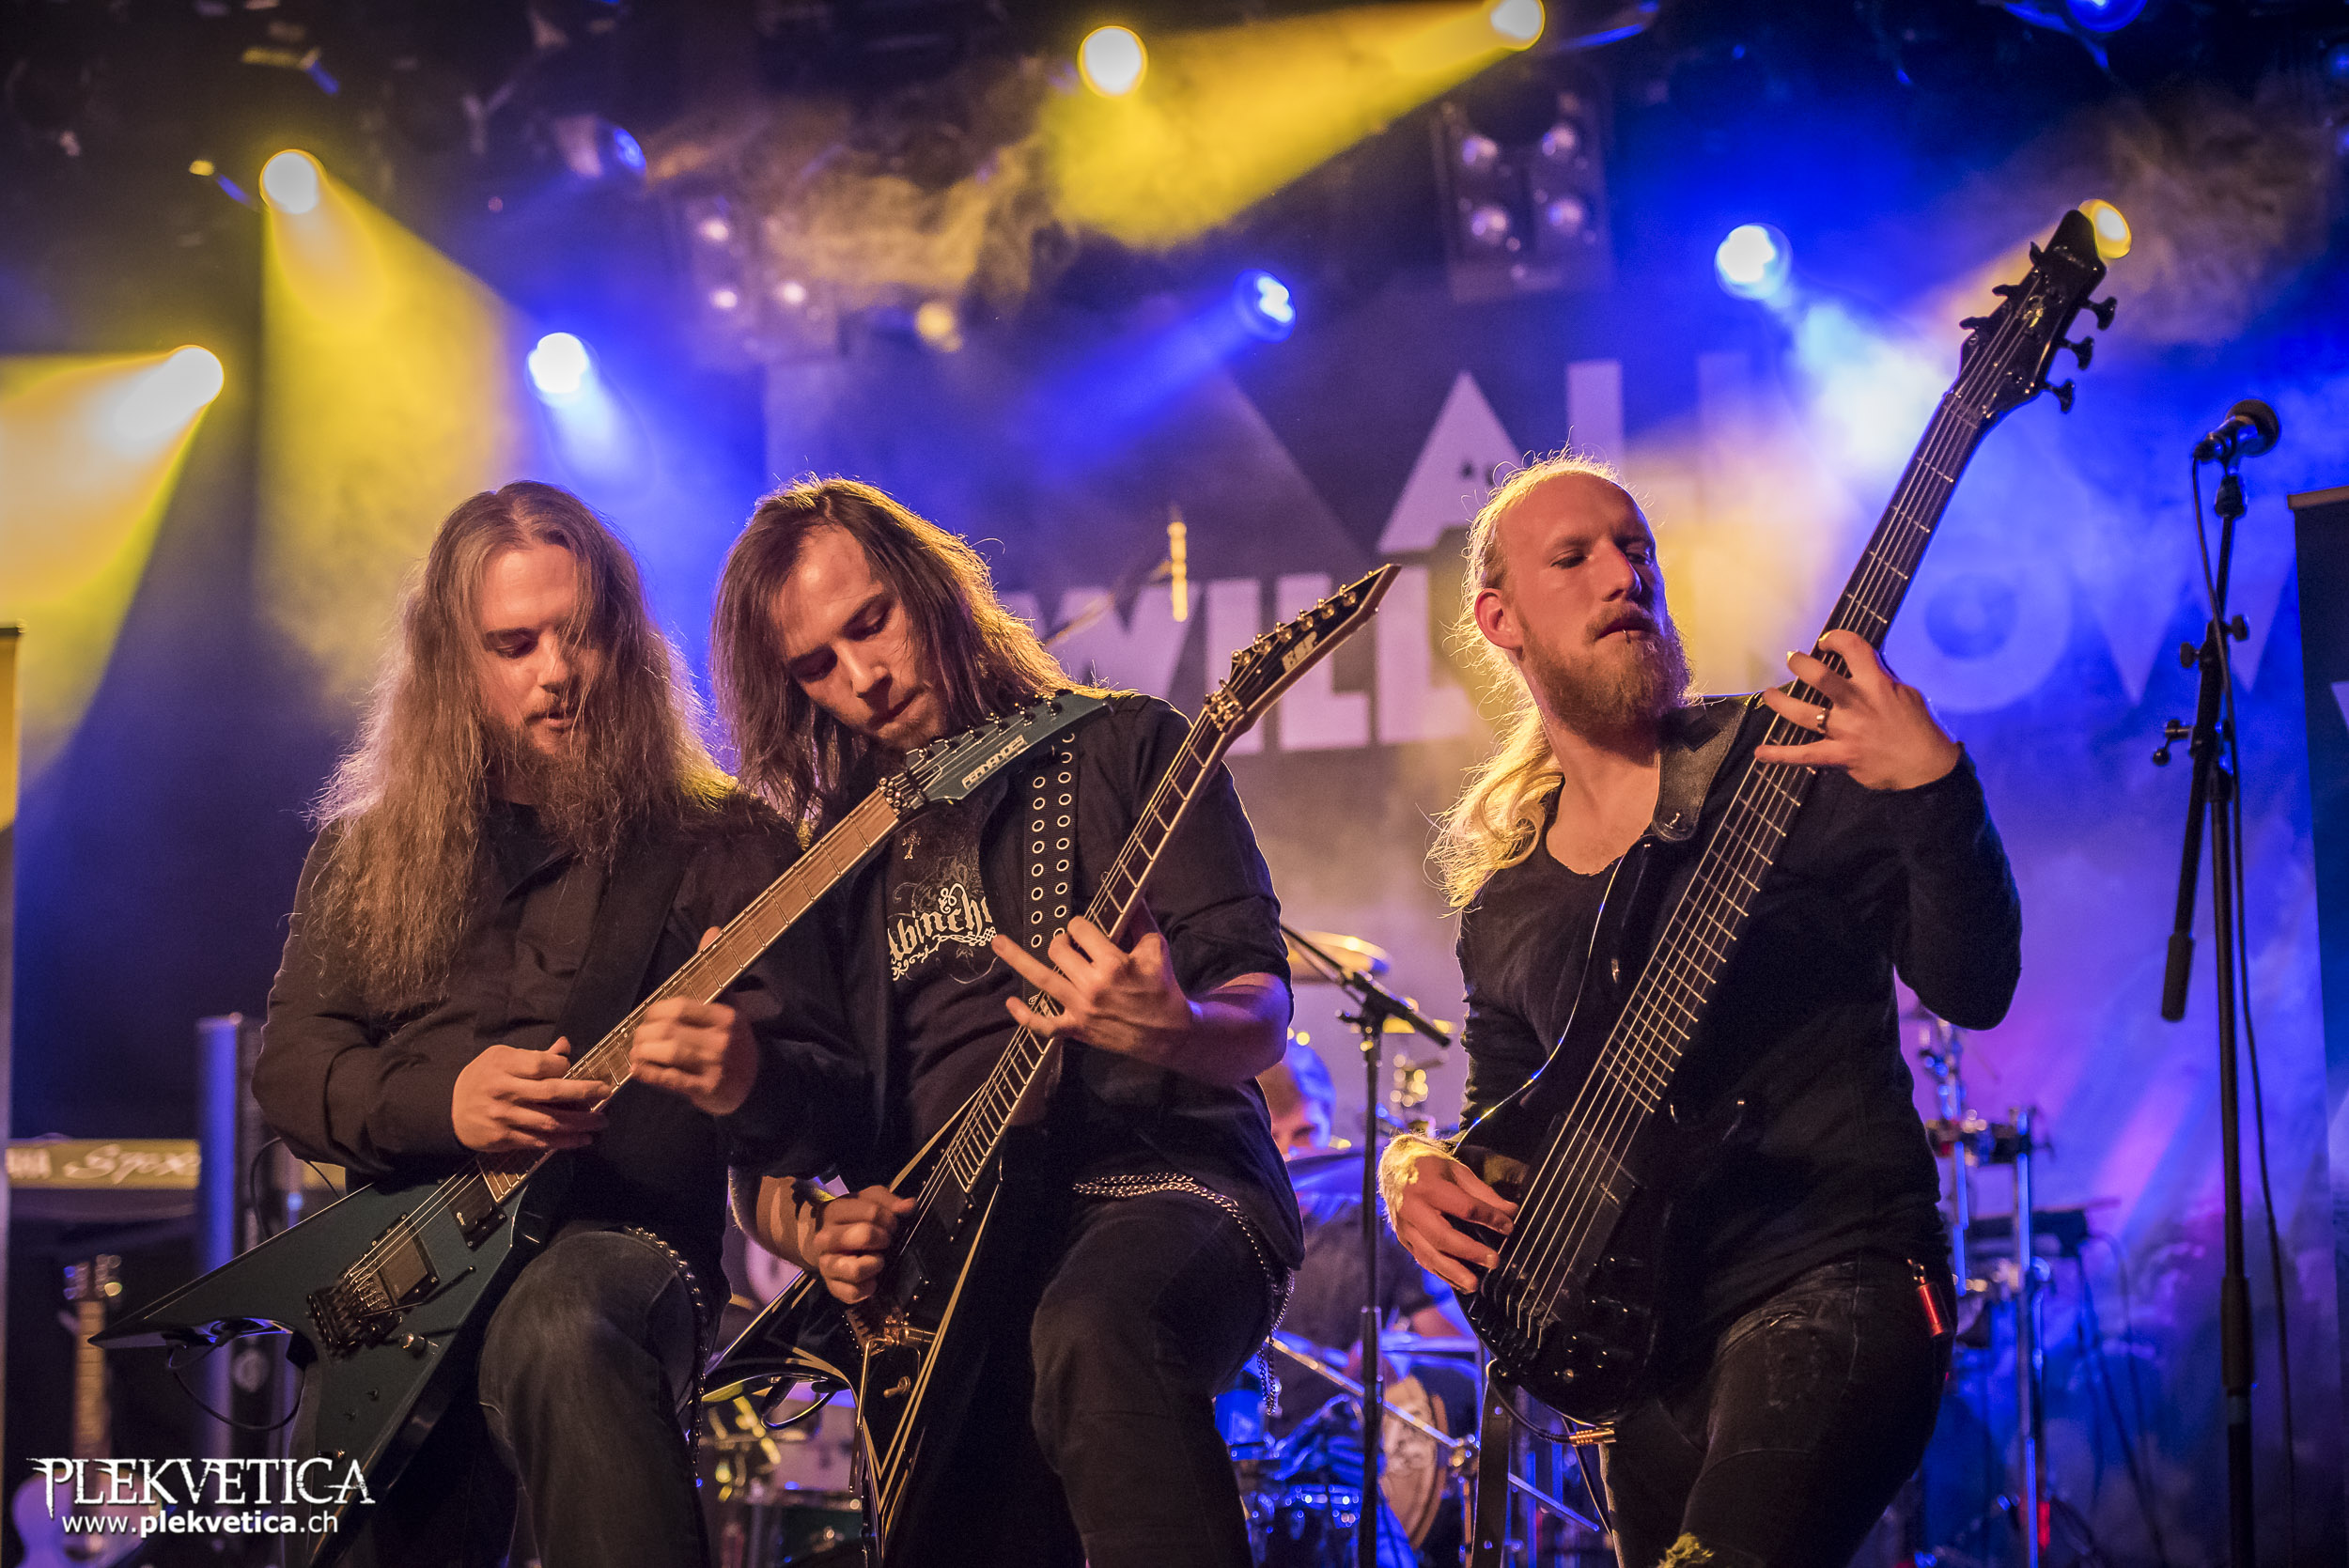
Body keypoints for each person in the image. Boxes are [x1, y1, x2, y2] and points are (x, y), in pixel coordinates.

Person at [1382, 455, 2021, 1568]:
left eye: (1636, 548)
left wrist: (1934, 789)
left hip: (1837, 1274)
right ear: (1500, 620)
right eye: (1573, 558)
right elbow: (1513, 1131)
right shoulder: (1507, 904)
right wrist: (1415, 1167)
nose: (1621, 574)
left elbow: (1975, 987)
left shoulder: (1789, 760)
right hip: (1647, 1357)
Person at [253, 482, 854, 1568]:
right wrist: (444, 1102)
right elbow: (294, 1069)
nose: (558, 670)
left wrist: (747, 1076)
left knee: (564, 1323)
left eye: (580, 634)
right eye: (515, 643)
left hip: (627, 1248)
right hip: (408, 1272)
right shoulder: (366, 855)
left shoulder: (726, 846)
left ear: (625, 639)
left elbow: (829, 1110)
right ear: (454, 662)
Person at [715, 477, 1301, 1568]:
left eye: (872, 622)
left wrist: (1169, 1026)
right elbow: (767, 1170)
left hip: (1161, 1179)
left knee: (1093, 1324)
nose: (863, 677)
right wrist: (816, 1230)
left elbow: (1259, 1009)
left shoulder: (1126, 744)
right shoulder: (826, 870)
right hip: (943, 1261)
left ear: (930, 588)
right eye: (816, 666)